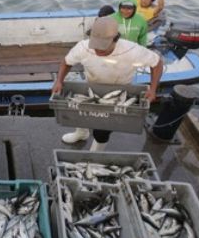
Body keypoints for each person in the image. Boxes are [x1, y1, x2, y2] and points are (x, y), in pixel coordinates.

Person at [52, 16, 163, 151]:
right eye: (95, 46)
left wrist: (153, 88)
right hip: (91, 85)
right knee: (80, 112)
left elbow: (157, 63)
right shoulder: (83, 47)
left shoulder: (132, 50)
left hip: (120, 91)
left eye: (102, 47)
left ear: (115, 40)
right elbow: (66, 62)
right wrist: (59, 81)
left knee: (103, 128)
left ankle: (97, 151)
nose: (98, 50)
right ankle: (82, 133)